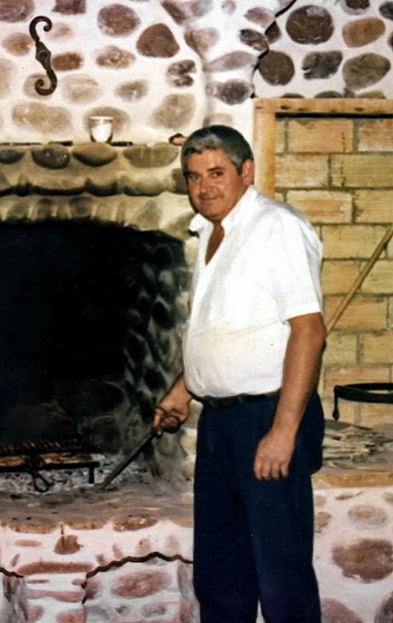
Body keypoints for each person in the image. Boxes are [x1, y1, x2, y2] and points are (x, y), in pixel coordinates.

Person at [153, 125, 326, 623]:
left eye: (216, 173)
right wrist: (184, 389)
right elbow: (227, 327)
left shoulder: (276, 227)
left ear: (246, 171)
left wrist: (283, 431)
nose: (204, 187)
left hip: (267, 417)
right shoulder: (212, 232)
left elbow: (309, 331)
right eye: (193, 177)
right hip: (220, 423)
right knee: (222, 569)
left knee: (281, 572)